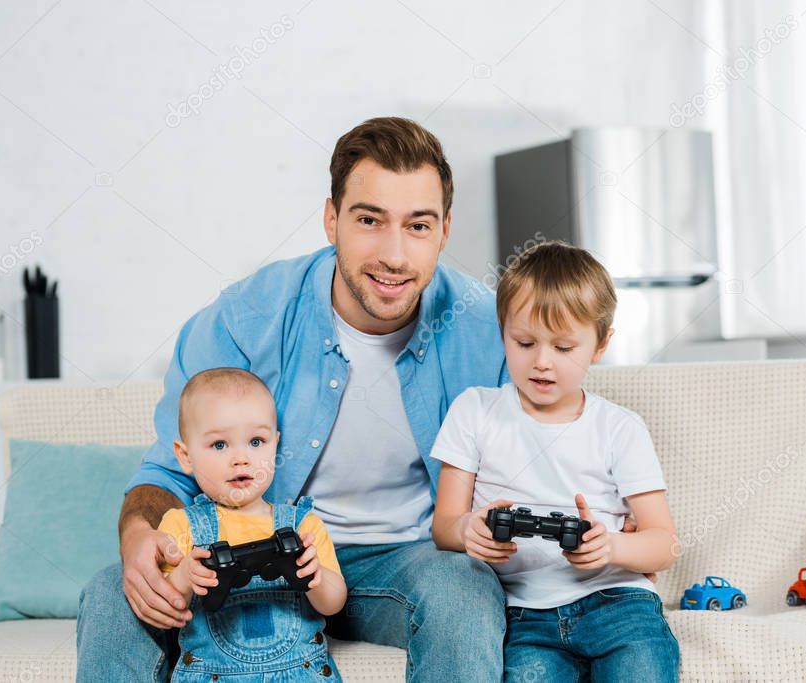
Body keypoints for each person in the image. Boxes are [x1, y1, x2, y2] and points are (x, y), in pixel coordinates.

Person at [77, 117, 514, 682]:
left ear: (446, 230)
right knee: (114, 593)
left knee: (465, 587)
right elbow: (169, 471)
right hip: (258, 554)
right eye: (369, 220)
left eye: (418, 225)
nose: (395, 255)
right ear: (331, 219)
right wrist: (139, 538)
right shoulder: (244, 319)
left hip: (408, 560)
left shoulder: (486, 329)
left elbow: (540, 451)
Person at [430, 241, 681, 682]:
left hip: (618, 602)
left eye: (564, 348)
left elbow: (664, 544)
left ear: (600, 344)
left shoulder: (620, 428)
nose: (541, 362)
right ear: (503, 331)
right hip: (526, 616)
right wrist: (468, 530)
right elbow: (443, 526)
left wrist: (613, 547)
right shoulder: (474, 411)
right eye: (524, 342)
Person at [156, 367, 346, 681]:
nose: (241, 458)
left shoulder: (304, 525)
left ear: (276, 444)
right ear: (185, 456)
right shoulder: (181, 526)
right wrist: (184, 577)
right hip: (213, 674)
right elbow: (163, 611)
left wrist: (316, 576)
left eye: (256, 441)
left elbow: (333, 603)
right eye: (220, 445)